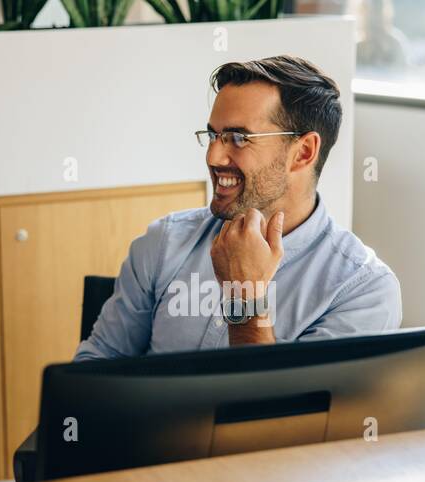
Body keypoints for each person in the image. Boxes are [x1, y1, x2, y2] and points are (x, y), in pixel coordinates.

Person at [75, 55, 401, 362]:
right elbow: (96, 364)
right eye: (214, 135)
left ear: (303, 152)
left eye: (238, 138)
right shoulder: (163, 243)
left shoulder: (362, 290)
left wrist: (245, 298)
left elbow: (285, 419)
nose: (213, 157)